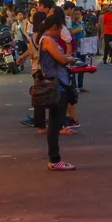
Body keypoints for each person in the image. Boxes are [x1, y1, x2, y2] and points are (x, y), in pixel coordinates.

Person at [39, 13, 77, 171]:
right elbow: (61, 59)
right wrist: (70, 59)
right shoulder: (48, 40)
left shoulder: (46, 39)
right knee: (55, 124)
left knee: (55, 123)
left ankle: (55, 159)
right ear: (54, 27)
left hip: (57, 83)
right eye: (60, 29)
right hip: (56, 85)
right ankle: (55, 160)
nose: (61, 32)